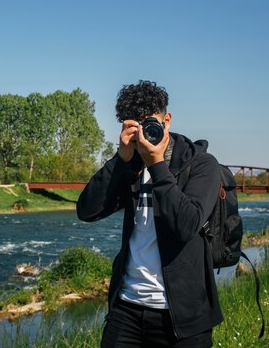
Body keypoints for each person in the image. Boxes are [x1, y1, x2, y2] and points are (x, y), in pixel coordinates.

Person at [77, 80, 223, 348]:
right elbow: (87, 211)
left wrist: (156, 165)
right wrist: (120, 159)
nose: (145, 133)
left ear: (167, 120)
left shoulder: (201, 164)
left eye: (151, 123)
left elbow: (186, 225)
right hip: (127, 307)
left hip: (183, 314)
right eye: (136, 125)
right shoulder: (129, 164)